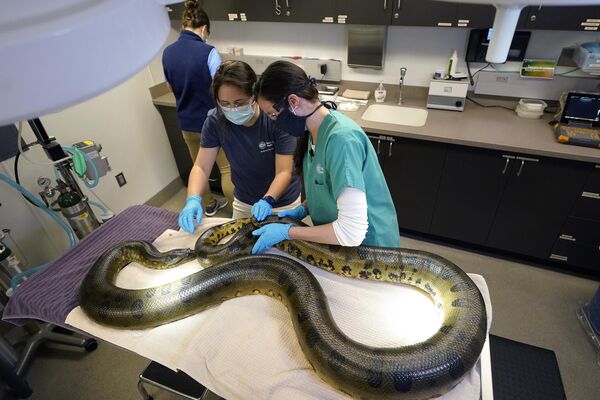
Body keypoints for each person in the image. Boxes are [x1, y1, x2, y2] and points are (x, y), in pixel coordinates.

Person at [252, 60, 400, 253]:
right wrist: (305, 207)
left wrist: (289, 232)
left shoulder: (341, 140)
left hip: (370, 248)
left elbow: (352, 231)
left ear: (294, 102)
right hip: (339, 242)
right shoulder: (310, 133)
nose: (274, 122)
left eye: (273, 115)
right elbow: (326, 185)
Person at [178, 60, 302, 233]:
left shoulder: (275, 119)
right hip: (244, 200)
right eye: (225, 104)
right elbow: (201, 166)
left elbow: (284, 172)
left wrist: (268, 200)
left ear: (254, 95)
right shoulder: (216, 121)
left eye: (239, 103)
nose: (232, 109)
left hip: (281, 202)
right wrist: (192, 199)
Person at [162, 0, 233, 216]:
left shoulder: (167, 53)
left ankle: (209, 204)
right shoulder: (208, 53)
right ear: (203, 29)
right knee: (227, 169)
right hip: (211, 123)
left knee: (199, 167)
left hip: (186, 122)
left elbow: (170, 86)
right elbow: (223, 91)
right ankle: (236, 212)